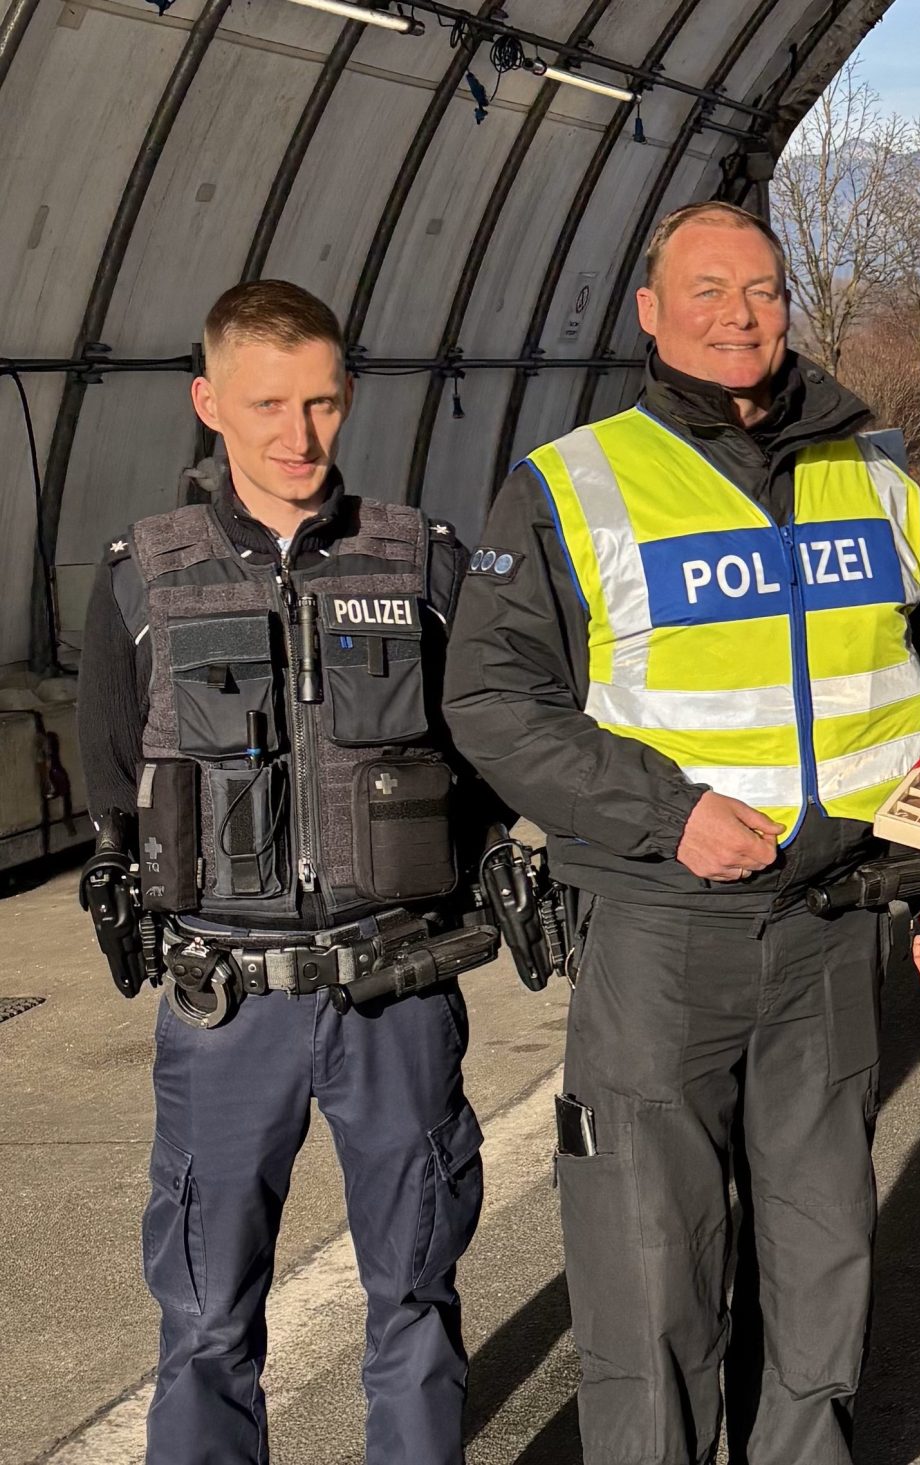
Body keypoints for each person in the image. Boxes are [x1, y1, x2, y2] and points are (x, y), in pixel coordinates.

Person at [441, 200, 920, 1464]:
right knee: (650, 1258)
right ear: (649, 311)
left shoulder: (876, 480)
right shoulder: (572, 484)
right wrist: (667, 813)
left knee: (822, 1250)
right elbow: (492, 700)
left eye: (763, 290)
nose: (740, 315)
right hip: (663, 928)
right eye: (708, 290)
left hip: (834, 924)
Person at [74, 280, 493, 1463]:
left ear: (346, 393)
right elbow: (113, 777)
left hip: (396, 990)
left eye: (319, 402)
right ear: (209, 402)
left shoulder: (422, 560)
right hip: (226, 1007)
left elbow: (487, 754)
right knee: (206, 1317)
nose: (297, 435)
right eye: (266, 404)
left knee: (414, 1294)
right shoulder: (142, 575)